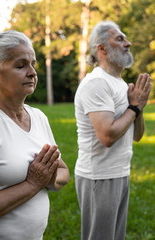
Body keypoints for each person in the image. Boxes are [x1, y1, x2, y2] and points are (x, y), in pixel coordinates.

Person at [74, 20, 151, 240]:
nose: (127, 43)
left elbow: (137, 135)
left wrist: (139, 107)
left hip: (120, 172)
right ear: (102, 48)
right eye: (119, 38)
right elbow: (107, 136)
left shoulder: (120, 83)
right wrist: (134, 106)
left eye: (125, 38)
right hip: (99, 176)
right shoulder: (96, 83)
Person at [0, 30, 69, 240]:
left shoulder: (38, 117)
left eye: (33, 64)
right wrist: (32, 184)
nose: (32, 72)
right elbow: (36, 182)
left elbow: (63, 172)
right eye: (21, 65)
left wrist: (49, 177)